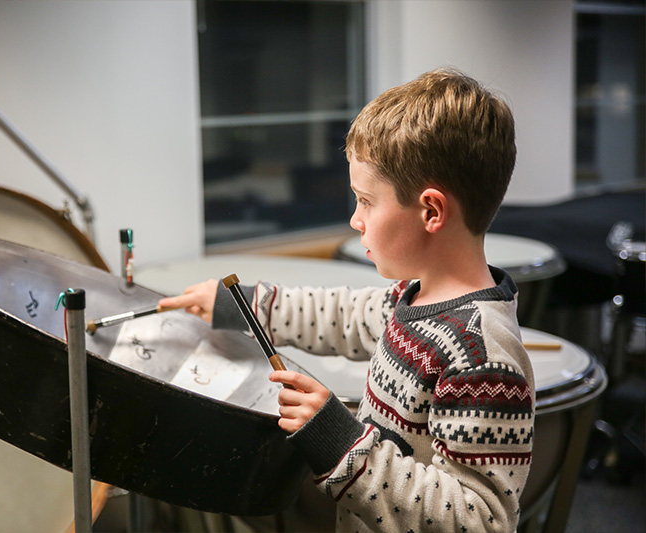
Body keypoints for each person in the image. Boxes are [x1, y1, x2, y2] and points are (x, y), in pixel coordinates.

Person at [159, 67, 534, 532]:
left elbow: (482, 521)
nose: (355, 220)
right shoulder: (417, 297)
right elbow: (342, 316)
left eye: (366, 201)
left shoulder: (481, 357)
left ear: (431, 211)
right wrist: (237, 304)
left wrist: (343, 442)